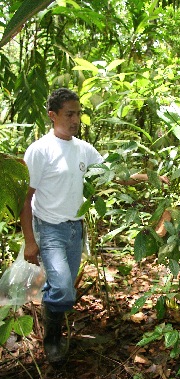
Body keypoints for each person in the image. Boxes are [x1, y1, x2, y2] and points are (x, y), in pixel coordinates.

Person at [20, 88, 168, 364]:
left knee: (64, 288)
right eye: (69, 114)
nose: (76, 120)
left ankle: (54, 317)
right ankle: (52, 338)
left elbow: (113, 177)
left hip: (75, 228)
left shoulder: (83, 149)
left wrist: (148, 175)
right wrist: (30, 240)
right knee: (63, 288)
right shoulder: (39, 151)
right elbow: (26, 199)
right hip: (49, 227)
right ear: (53, 116)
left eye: (78, 113)